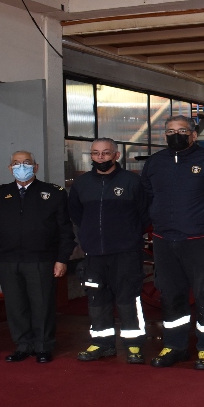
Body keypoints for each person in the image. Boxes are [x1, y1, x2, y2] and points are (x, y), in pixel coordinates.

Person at [141, 115, 204, 370]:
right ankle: (174, 345)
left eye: (181, 130)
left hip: (201, 239)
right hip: (164, 239)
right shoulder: (155, 163)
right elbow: (146, 195)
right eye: (170, 130)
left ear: (193, 135)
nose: (175, 134)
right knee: (170, 295)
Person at [0, 151, 76, 363]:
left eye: (26, 163)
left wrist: (62, 258)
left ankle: (43, 346)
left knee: (42, 304)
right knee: (16, 306)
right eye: (16, 163)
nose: (21, 167)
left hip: (42, 260)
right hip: (8, 260)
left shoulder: (53, 193)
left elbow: (65, 230)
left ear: (35, 166)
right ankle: (23, 345)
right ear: (9, 168)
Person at [69, 138, 149, 364]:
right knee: (97, 299)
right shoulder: (82, 184)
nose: (100, 157)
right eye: (96, 153)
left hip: (126, 253)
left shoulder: (132, 182)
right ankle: (102, 344)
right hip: (94, 254)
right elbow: (76, 215)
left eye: (105, 153)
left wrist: (129, 235)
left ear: (116, 155)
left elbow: (143, 215)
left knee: (128, 299)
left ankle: (133, 345)